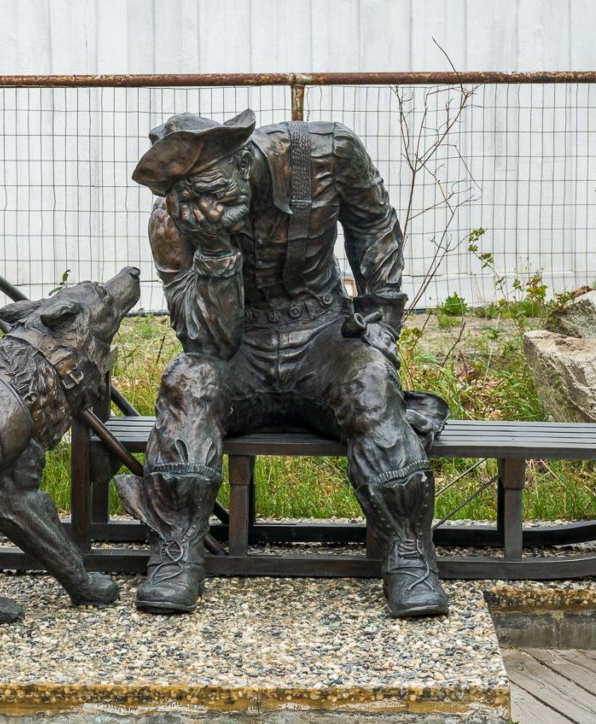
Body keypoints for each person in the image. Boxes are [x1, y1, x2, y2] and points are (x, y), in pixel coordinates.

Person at [116, 110, 451, 618]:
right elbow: (207, 341)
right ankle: (177, 551)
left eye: (212, 189)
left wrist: (380, 323)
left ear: (241, 155)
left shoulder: (327, 152)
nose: (205, 207)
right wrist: (213, 251)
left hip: (323, 339)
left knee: (370, 383)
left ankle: (409, 554)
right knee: (187, 383)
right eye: (190, 197)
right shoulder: (174, 221)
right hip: (239, 355)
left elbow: (374, 221)